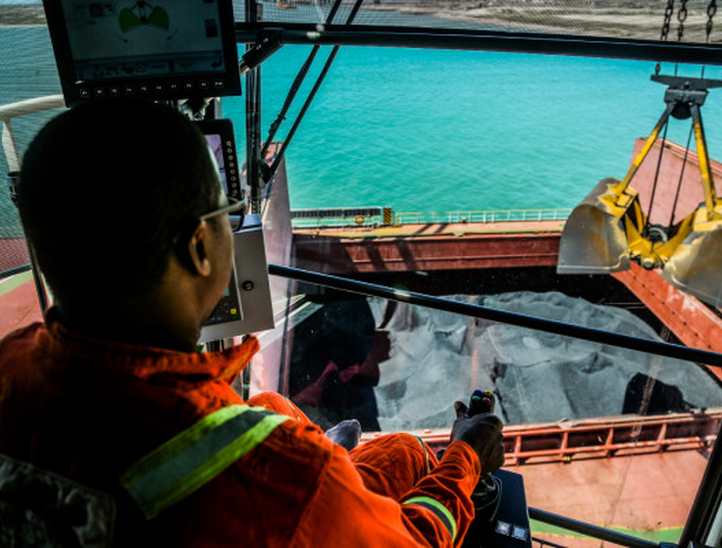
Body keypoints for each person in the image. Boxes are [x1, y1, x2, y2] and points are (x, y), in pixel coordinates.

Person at [0, 98, 504, 546]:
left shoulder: (14, 360)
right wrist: (465, 456)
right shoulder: (282, 479)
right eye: (227, 212)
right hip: (275, 505)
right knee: (410, 452)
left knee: (267, 402)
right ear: (199, 248)